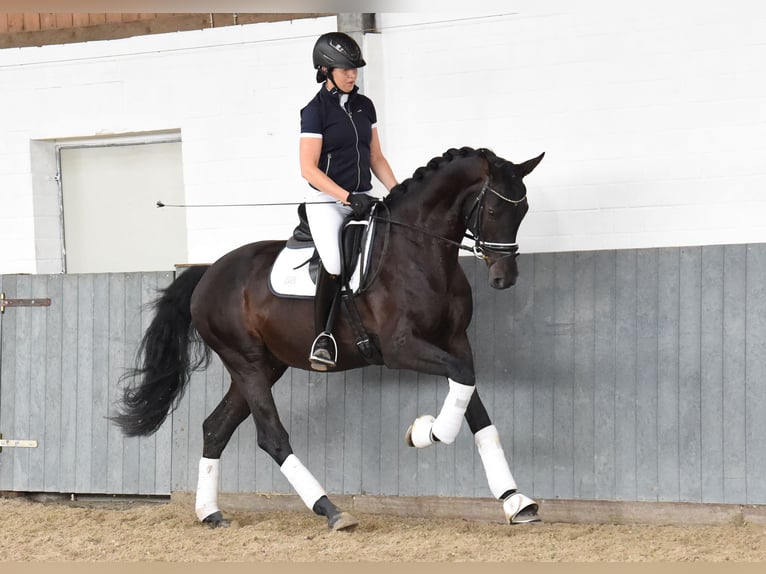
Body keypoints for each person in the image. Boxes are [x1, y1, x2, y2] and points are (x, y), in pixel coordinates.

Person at [299, 31, 398, 371]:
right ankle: (321, 337)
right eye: (344, 69)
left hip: (361, 198)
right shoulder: (314, 112)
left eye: (354, 69)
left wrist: (398, 191)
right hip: (327, 202)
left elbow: (376, 157)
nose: (352, 75)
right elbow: (308, 169)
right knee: (335, 265)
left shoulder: (363, 106)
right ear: (325, 70)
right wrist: (345, 197)